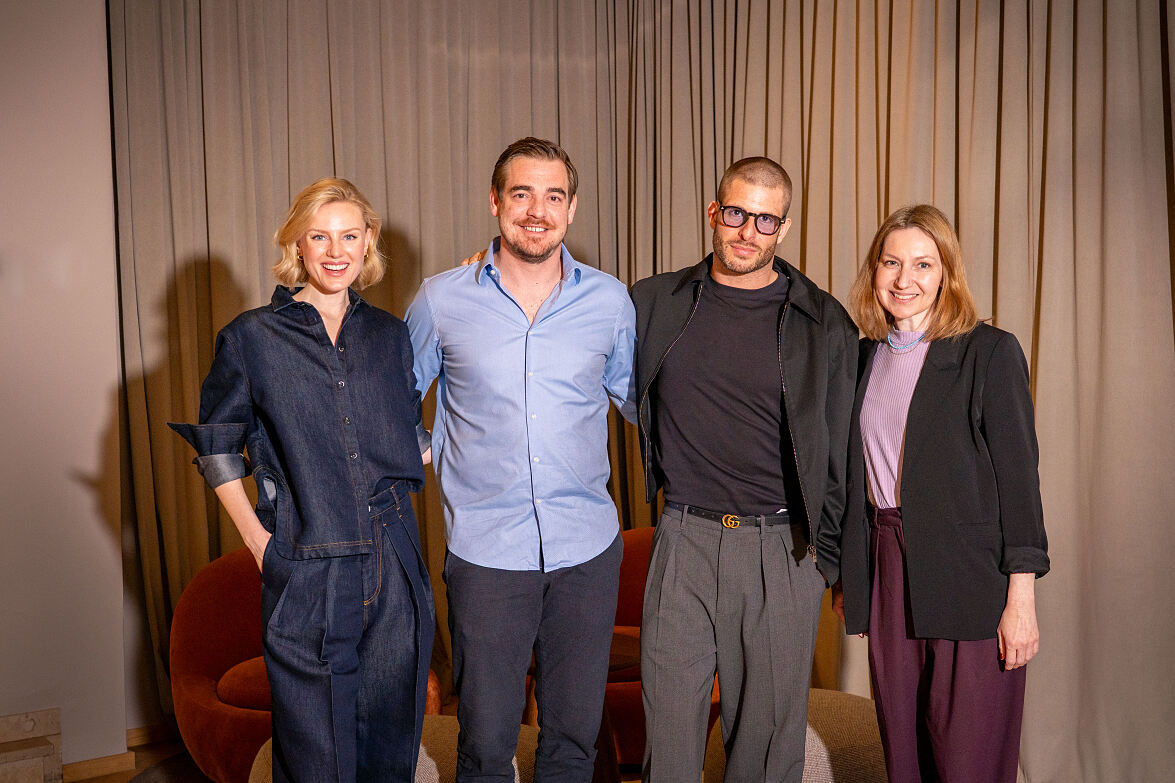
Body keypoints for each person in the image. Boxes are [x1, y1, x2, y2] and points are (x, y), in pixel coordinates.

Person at [170, 178, 434, 783]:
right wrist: (262, 547)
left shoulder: (391, 336)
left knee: (390, 751)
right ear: (297, 244)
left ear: (369, 243)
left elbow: (406, 443)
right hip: (307, 563)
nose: (335, 251)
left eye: (349, 235)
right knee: (316, 762)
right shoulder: (251, 338)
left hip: (394, 561)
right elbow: (218, 449)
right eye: (319, 236)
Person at [406, 137, 636, 782]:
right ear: (495, 201)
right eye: (522, 193)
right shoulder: (441, 300)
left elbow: (645, 403)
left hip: (587, 552)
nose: (537, 210)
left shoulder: (610, 303)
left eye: (553, 195)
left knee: (572, 742)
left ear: (571, 208)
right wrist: (434, 449)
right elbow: (388, 400)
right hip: (486, 556)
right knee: (484, 743)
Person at [631, 156, 858, 782]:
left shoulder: (823, 320)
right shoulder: (654, 302)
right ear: (714, 213)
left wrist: (824, 563)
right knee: (669, 744)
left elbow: (842, 450)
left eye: (765, 220)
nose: (746, 231)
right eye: (736, 213)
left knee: (765, 752)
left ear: (782, 228)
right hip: (682, 540)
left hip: (781, 551)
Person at [831, 204, 1050, 783]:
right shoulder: (859, 359)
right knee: (904, 757)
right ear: (873, 272)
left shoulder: (989, 352)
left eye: (923, 265)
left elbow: (1020, 484)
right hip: (886, 570)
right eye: (891, 262)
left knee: (967, 762)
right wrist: (849, 576)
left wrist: (1021, 601)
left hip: (970, 577)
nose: (905, 280)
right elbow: (850, 480)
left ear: (947, 273)